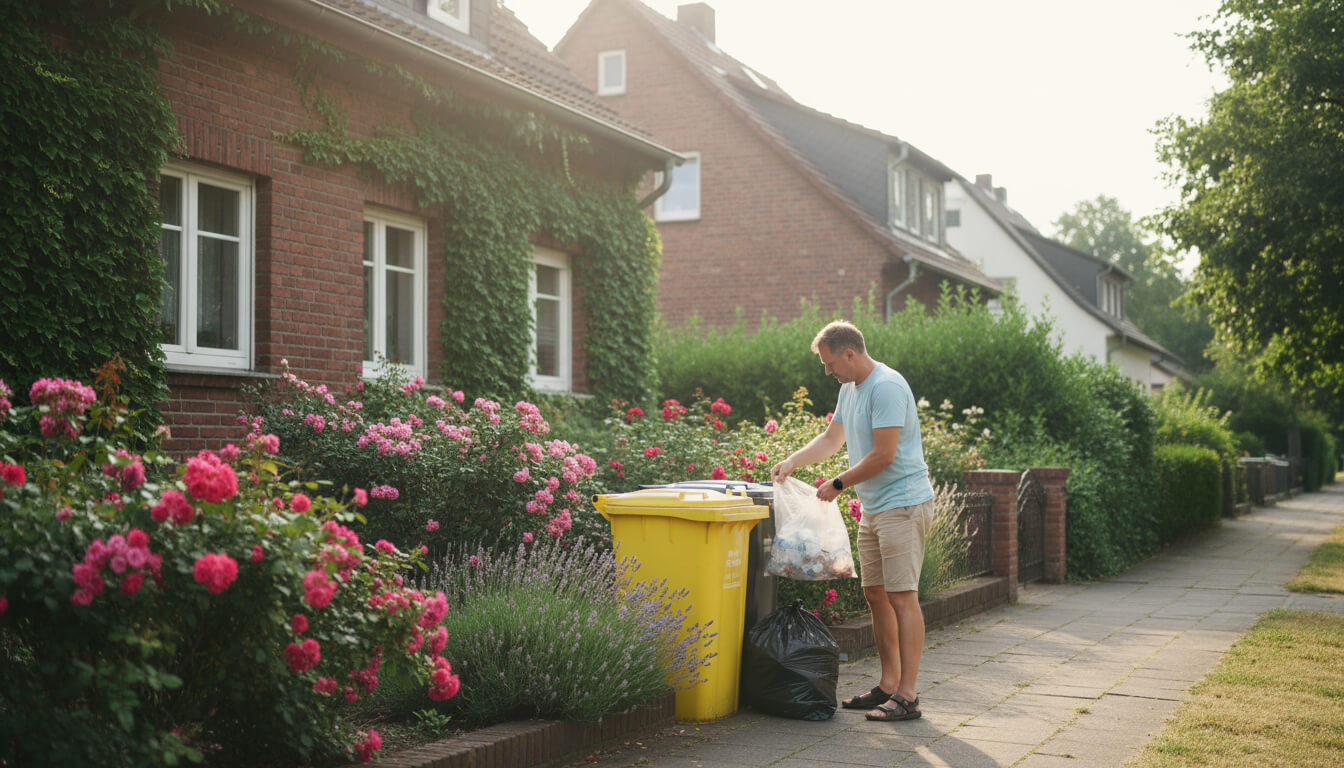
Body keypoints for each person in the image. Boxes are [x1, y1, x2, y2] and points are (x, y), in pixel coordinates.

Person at [770, 320, 934, 722]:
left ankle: (908, 696)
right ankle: (888, 685)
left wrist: (839, 483)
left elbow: (885, 454)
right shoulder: (850, 390)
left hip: (904, 504)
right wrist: (793, 461)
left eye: (829, 364)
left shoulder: (887, 387)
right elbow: (831, 439)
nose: (828, 372)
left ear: (850, 353)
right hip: (876, 507)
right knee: (876, 594)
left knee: (902, 595)